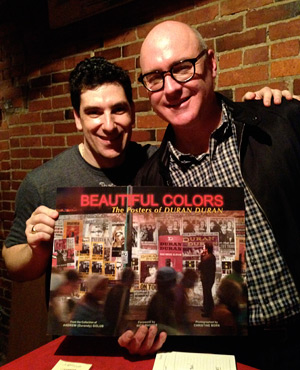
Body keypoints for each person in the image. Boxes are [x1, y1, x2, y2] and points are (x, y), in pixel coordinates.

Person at [126, 20, 300, 368]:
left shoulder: (277, 125)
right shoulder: (149, 181)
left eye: (182, 68)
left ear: (212, 64)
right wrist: (145, 329)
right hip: (216, 352)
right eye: (155, 77)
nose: (171, 88)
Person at [198, 243, 216, 317]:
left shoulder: (207, 257)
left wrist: (201, 256)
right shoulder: (211, 256)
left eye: (204, 247)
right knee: (207, 293)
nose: (203, 248)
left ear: (207, 248)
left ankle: (208, 311)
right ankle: (207, 308)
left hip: (206, 278)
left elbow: (200, 266)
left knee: (207, 294)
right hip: (209, 278)